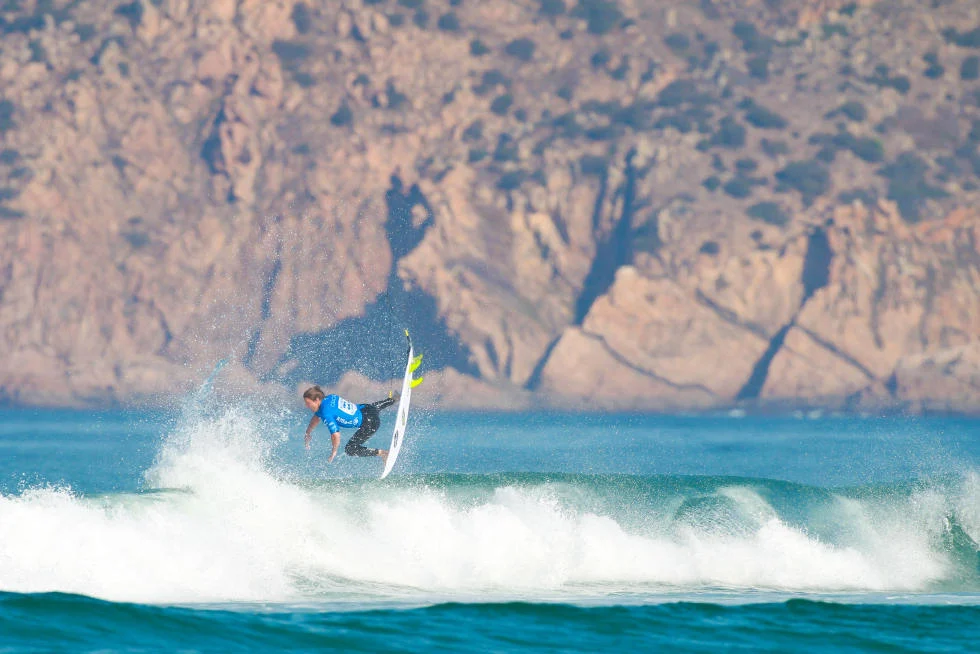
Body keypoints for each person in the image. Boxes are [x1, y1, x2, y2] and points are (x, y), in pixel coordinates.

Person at [302, 385, 398, 464]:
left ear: (317, 400)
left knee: (350, 449)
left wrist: (334, 451)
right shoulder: (330, 397)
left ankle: (383, 453)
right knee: (374, 408)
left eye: (308, 403)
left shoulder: (326, 413)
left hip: (370, 424)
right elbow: (317, 416)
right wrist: (308, 432)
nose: (306, 406)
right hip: (367, 408)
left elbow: (335, 434)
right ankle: (393, 399)